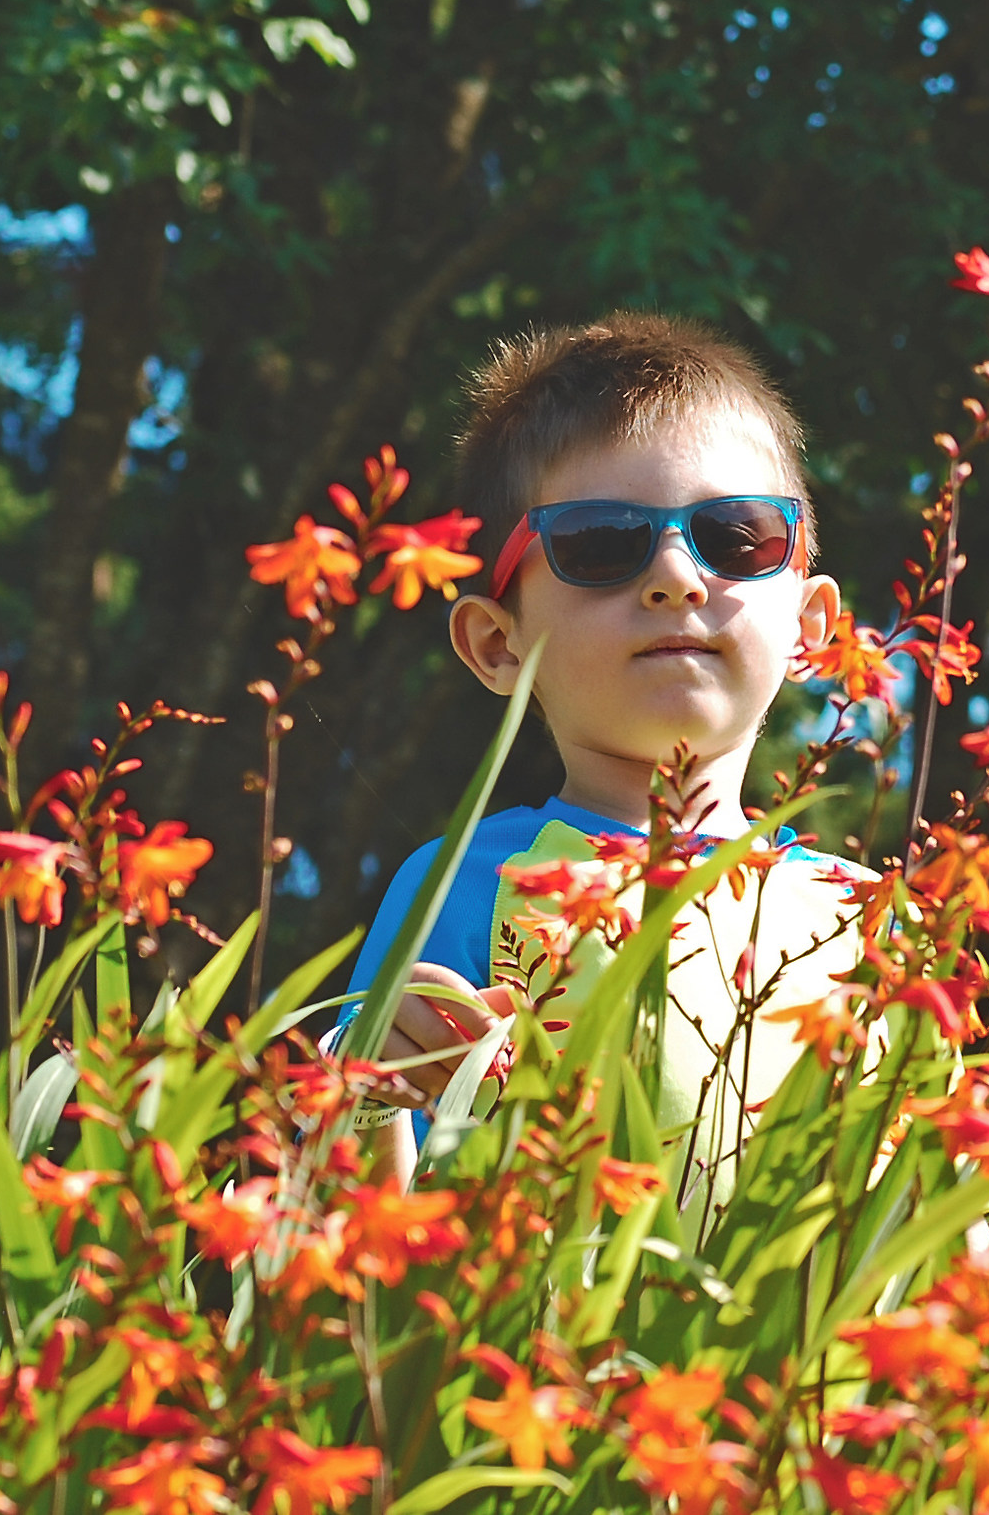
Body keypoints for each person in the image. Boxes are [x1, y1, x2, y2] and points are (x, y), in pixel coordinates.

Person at [329, 313, 863, 1208]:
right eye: (601, 544)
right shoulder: (468, 887)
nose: (677, 577)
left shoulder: (870, 918)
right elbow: (356, 1231)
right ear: (497, 645)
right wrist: (370, 1092)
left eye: (737, 535)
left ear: (811, 626)